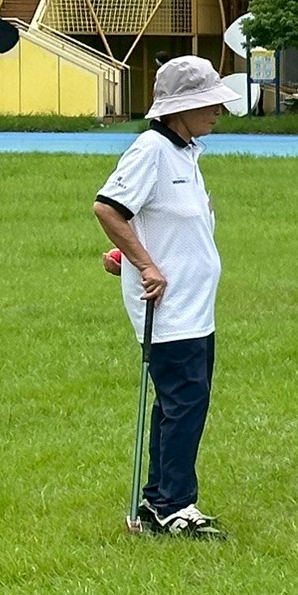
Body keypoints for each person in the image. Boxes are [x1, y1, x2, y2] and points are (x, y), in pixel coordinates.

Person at [94, 55, 244, 539]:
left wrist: (130, 251)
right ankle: (175, 504)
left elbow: (151, 219)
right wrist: (145, 264)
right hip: (168, 307)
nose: (217, 110)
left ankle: (161, 497)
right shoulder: (151, 149)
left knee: (181, 402)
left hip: (196, 307)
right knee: (185, 401)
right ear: (179, 109)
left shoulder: (185, 152)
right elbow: (109, 207)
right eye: (208, 103)